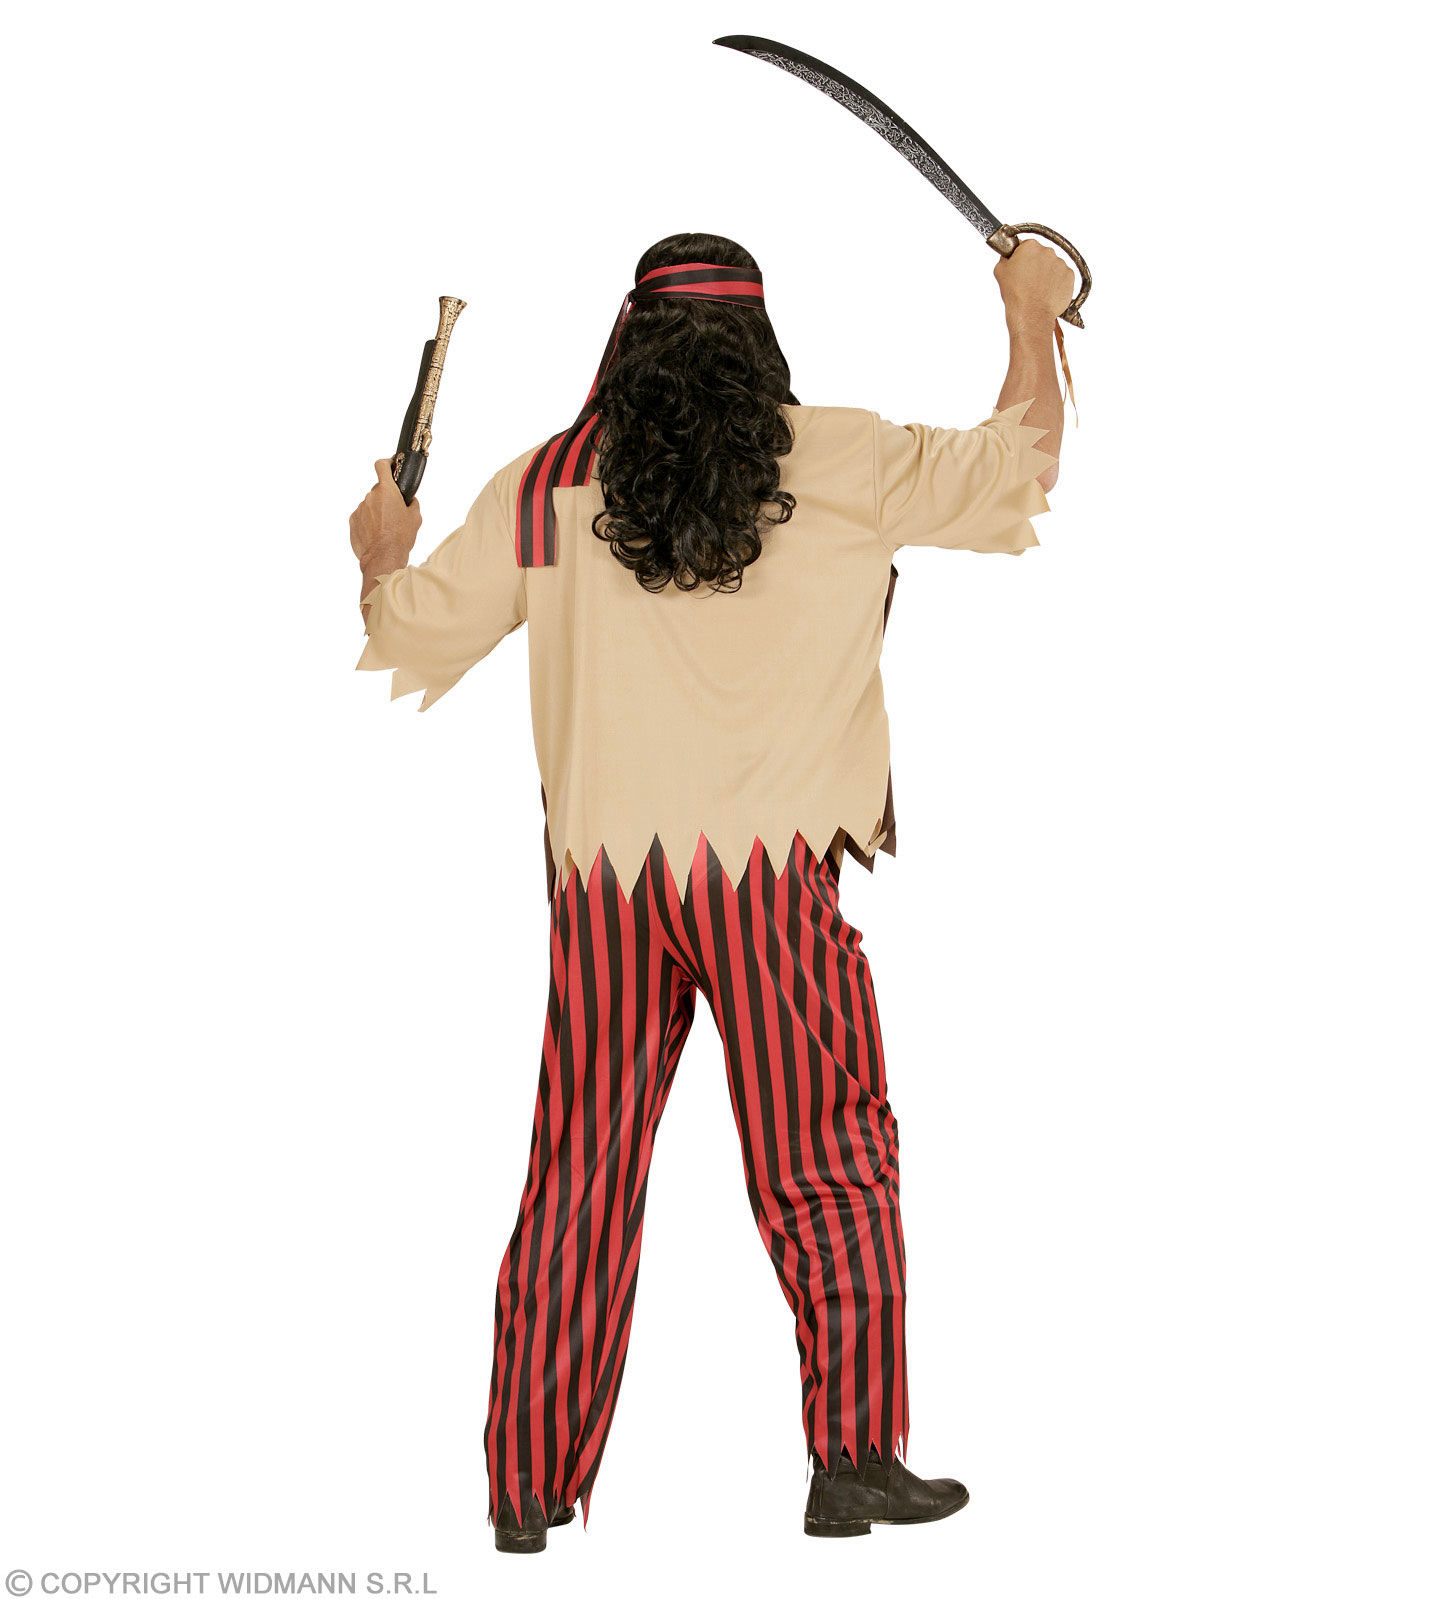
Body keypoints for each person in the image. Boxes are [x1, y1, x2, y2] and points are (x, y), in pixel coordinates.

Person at [348, 232, 1073, 1550]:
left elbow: (407, 635)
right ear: (760, 342)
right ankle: (853, 1457)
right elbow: (1019, 467)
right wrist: (1029, 310)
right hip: (769, 880)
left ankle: (525, 1486)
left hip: (605, 889)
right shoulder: (841, 457)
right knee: (828, 1155)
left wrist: (380, 555)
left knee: (579, 1169)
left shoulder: (545, 485)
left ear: (626, 342)